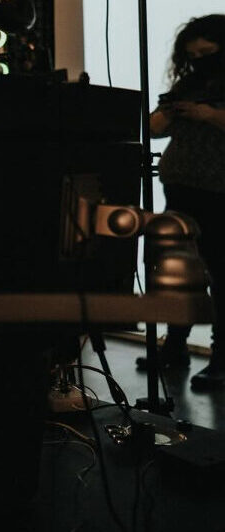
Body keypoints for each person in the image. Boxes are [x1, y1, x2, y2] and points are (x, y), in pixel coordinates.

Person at [146, 14, 225, 389]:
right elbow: (155, 129)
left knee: (220, 276)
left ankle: (221, 359)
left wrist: (209, 114)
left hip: (218, 191)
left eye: (207, 52)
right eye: (192, 54)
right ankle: (174, 347)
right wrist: (166, 114)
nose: (198, 59)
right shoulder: (189, 83)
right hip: (180, 189)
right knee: (179, 272)